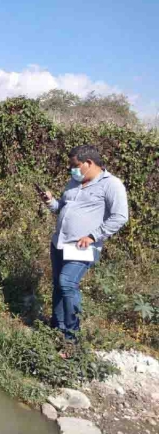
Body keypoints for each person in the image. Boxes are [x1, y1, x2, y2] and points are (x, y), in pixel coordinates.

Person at [38, 145, 128, 340]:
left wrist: (94, 236)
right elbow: (62, 207)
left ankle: (72, 337)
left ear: (89, 163)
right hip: (59, 244)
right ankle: (57, 328)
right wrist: (50, 201)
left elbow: (120, 216)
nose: (72, 170)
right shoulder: (74, 182)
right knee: (58, 285)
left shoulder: (111, 184)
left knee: (67, 283)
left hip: (82, 247)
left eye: (75, 165)